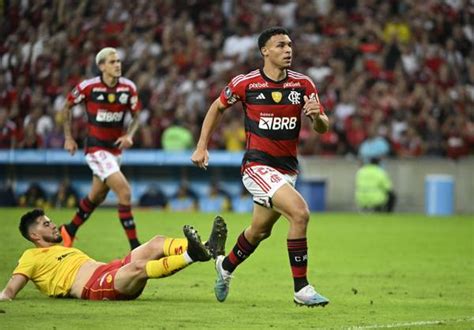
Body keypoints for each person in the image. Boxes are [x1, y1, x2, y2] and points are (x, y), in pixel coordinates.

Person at [191, 27, 330, 307]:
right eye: (280, 45)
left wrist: (316, 118)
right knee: (300, 214)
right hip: (257, 166)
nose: (288, 50)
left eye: (290, 45)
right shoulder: (247, 84)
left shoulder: (303, 85)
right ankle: (301, 289)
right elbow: (216, 107)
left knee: (258, 231)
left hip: (287, 170)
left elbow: (322, 127)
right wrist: (202, 145)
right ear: (265, 51)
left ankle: (225, 266)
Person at [0, 209, 227, 301]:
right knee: (138, 268)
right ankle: (192, 255)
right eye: (45, 224)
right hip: (94, 286)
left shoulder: (61, 247)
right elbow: (9, 291)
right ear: (33, 234)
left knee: (156, 242)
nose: (52, 225)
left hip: (109, 268)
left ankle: (208, 247)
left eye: (50, 221)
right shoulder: (30, 256)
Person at [61, 47, 142, 250]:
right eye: (112, 62)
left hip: (115, 151)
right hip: (96, 149)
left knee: (97, 196)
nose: (117, 65)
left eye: (118, 61)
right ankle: (136, 247)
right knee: (124, 192)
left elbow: (137, 116)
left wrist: (129, 135)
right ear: (101, 66)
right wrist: (69, 138)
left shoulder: (128, 88)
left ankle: (69, 230)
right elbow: (66, 107)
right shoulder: (88, 87)